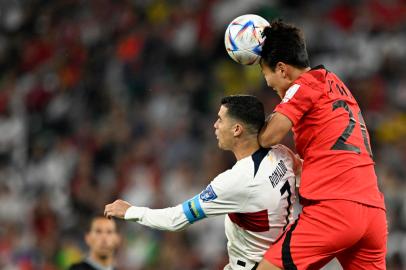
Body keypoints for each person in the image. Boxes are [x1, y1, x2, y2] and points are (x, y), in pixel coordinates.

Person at [104, 95, 302, 270]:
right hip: (280, 259)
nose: (215, 125)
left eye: (220, 120)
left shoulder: (237, 181)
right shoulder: (282, 153)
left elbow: (175, 220)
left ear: (237, 129)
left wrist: (130, 211)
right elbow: (300, 171)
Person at [255, 20, 387, 270]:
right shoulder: (335, 84)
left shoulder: (304, 85)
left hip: (336, 210)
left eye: (267, 77)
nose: (271, 87)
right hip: (373, 213)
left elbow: (269, 137)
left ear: (282, 69)